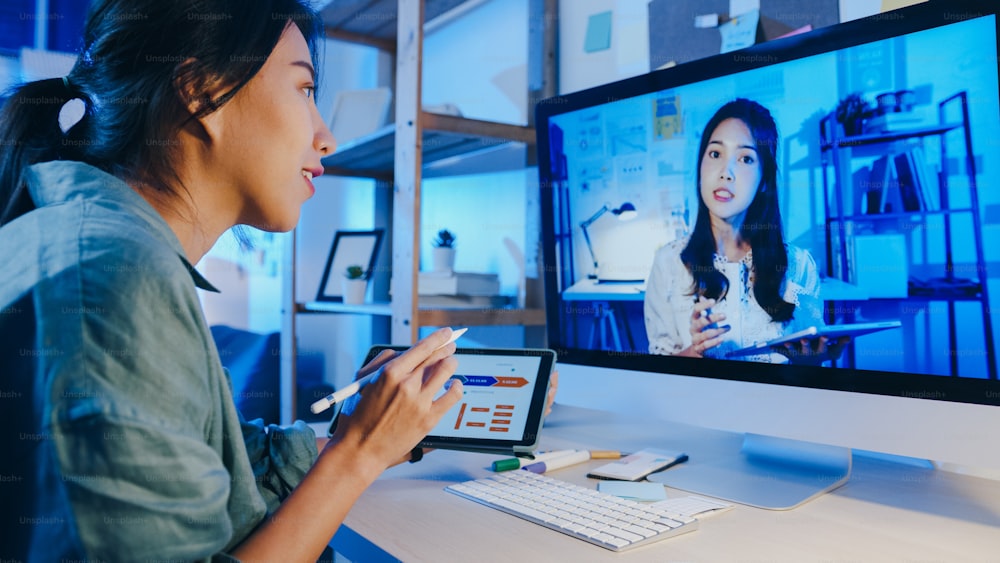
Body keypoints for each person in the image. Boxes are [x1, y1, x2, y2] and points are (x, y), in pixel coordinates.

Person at [0, 1, 556, 560]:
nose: (327, 137)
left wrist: (371, 426)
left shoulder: (96, 243)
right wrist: (358, 454)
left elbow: (229, 460)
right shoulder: (116, 280)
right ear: (201, 92)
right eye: (304, 90)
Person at [644, 98, 848, 365]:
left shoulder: (798, 266)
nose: (725, 172)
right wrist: (696, 351)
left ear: (764, 180)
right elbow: (658, 374)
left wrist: (812, 361)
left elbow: (809, 362)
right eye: (715, 154)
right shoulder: (669, 263)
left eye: (745, 158)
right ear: (700, 167)